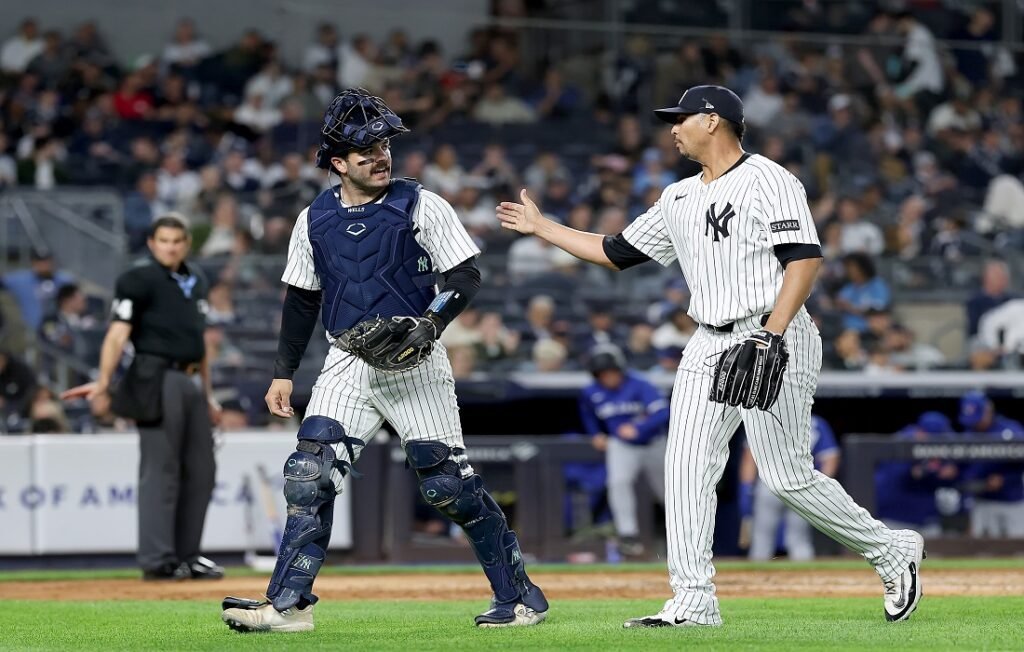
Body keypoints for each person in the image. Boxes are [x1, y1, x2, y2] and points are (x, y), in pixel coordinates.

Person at [496, 85, 925, 627]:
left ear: (714, 121)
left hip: (774, 332)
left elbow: (804, 261)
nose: (672, 128)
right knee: (685, 467)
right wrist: (543, 227)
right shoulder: (678, 197)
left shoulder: (769, 178)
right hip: (706, 340)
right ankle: (693, 600)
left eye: (681, 118)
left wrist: (771, 333)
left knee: (785, 475)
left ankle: (890, 550)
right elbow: (615, 252)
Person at [221, 88, 547, 634]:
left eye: (384, 145)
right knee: (309, 476)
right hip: (346, 360)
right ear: (337, 162)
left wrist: (432, 322)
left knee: (449, 488)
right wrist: (283, 371)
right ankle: (288, 606)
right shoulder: (313, 219)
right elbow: (302, 298)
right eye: (366, 149)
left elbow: (464, 274)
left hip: (415, 362)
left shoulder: (422, 202)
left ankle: (519, 597)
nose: (380, 156)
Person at [64, 215, 223, 580]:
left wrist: (209, 396)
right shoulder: (137, 278)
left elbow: (199, 345)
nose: (170, 247)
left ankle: (189, 555)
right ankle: (158, 559)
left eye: (177, 241)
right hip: (156, 377)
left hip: (191, 379)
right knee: (161, 471)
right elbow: (118, 334)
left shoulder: (197, 279)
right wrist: (104, 382)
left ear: (186, 244)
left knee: (202, 471)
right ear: (152, 243)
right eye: (164, 240)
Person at [579, 344, 669, 557]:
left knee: (669, 492)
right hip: (622, 446)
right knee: (618, 482)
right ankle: (627, 534)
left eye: (612, 372)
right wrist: (595, 434)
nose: (609, 377)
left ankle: (685, 534)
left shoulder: (640, 385)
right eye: (603, 374)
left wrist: (638, 427)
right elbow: (588, 415)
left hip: (654, 443)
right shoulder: (591, 392)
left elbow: (663, 412)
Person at [739, 415, 840, 561]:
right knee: (798, 540)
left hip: (770, 484)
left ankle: (756, 578)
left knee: (763, 539)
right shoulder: (814, 423)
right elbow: (831, 459)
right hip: (799, 484)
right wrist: (819, 485)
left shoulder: (762, 420)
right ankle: (807, 581)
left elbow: (749, 458)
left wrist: (746, 487)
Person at [874, 412, 957, 538]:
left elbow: (935, 476)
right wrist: (929, 470)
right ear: (922, 434)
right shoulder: (902, 442)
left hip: (924, 518)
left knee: (932, 554)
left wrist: (944, 473)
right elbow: (905, 476)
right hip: (896, 518)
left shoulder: (931, 447)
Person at [957, 391, 1024, 538]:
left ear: (988, 411)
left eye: (977, 419)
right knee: (982, 551)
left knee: (1017, 548)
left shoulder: (1010, 430)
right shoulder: (968, 435)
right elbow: (963, 470)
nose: (975, 424)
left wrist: (1004, 479)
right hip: (982, 501)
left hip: (1012, 501)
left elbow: (1019, 464)